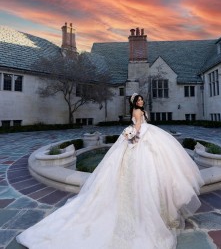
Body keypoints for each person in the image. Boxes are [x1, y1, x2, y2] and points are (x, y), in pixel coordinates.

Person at [16, 93, 204, 249]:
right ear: (134, 103)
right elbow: (137, 129)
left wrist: (132, 134)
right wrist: (133, 138)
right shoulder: (137, 112)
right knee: (143, 172)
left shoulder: (140, 111)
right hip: (141, 138)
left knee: (152, 169)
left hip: (149, 136)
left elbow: (139, 126)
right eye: (137, 101)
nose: (140, 102)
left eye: (140, 100)